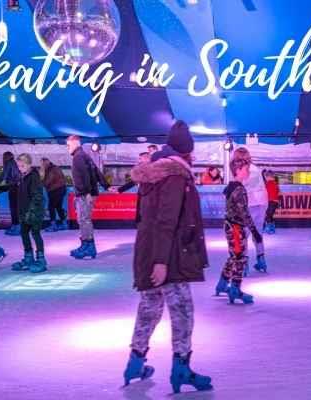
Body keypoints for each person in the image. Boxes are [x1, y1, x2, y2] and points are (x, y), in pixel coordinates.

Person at [123, 120, 213, 393]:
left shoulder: (151, 174)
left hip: (148, 249)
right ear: (186, 151)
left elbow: (143, 219)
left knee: (150, 306)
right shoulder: (174, 174)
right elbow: (167, 219)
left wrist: (150, 257)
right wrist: (161, 261)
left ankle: (135, 362)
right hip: (170, 254)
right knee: (182, 310)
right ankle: (181, 367)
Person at [213, 158, 258, 304]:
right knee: (240, 258)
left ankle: (222, 284)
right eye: (246, 169)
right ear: (238, 171)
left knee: (233, 256)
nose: (248, 172)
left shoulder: (232, 186)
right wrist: (254, 231)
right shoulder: (238, 189)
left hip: (230, 226)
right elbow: (244, 212)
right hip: (236, 228)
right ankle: (235, 289)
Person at [68, 135, 109, 260]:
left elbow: (85, 176)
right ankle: (85, 244)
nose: (68, 148)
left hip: (84, 194)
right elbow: (96, 171)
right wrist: (106, 186)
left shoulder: (78, 157)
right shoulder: (84, 155)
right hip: (85, 193)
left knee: (84, 220)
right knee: (83, 219)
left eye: (68, 145)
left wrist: (87, 193)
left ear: (75, 143)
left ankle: (89, 246)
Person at [7, 154, 48, 273]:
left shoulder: (33, 177)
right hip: (24, 212)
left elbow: (37, 196)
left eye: (22, 166)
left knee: (35, 234)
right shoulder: (22, 177)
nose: (20, 168)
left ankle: (41, 259)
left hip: (34, 212)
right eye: (18, 166)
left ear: (29, 165)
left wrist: (31, 212)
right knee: (24, 233)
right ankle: (28, 257)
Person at [232, 147, 268, 273]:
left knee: (244, 234)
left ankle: (244, 263)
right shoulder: (255, 168)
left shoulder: (244, 170)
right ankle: (261, 259)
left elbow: (240, 187)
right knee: (257, 232)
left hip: (250, 203)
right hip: (262, 202)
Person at [0, 151, 22, 236]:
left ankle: (17, 227)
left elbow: (3, 176)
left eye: (4, 157)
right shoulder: (13, 163)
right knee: (14, 207)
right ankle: (15, 225)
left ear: (7, 157)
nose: (3, 159)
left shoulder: (9, 163)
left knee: (14, 207)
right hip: (15, 187)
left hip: (15, 187)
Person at [41, 158, 68, 232]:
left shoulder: (51, 170)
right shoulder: (55, 168)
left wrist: (42, 183)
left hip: (56, 190)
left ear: (47, 163)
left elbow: (48, 181)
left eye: (43, 164)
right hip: (60, 189)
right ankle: (64, 223)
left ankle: (53, 225)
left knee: (51, 207)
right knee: (58, 207)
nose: (42, 165)